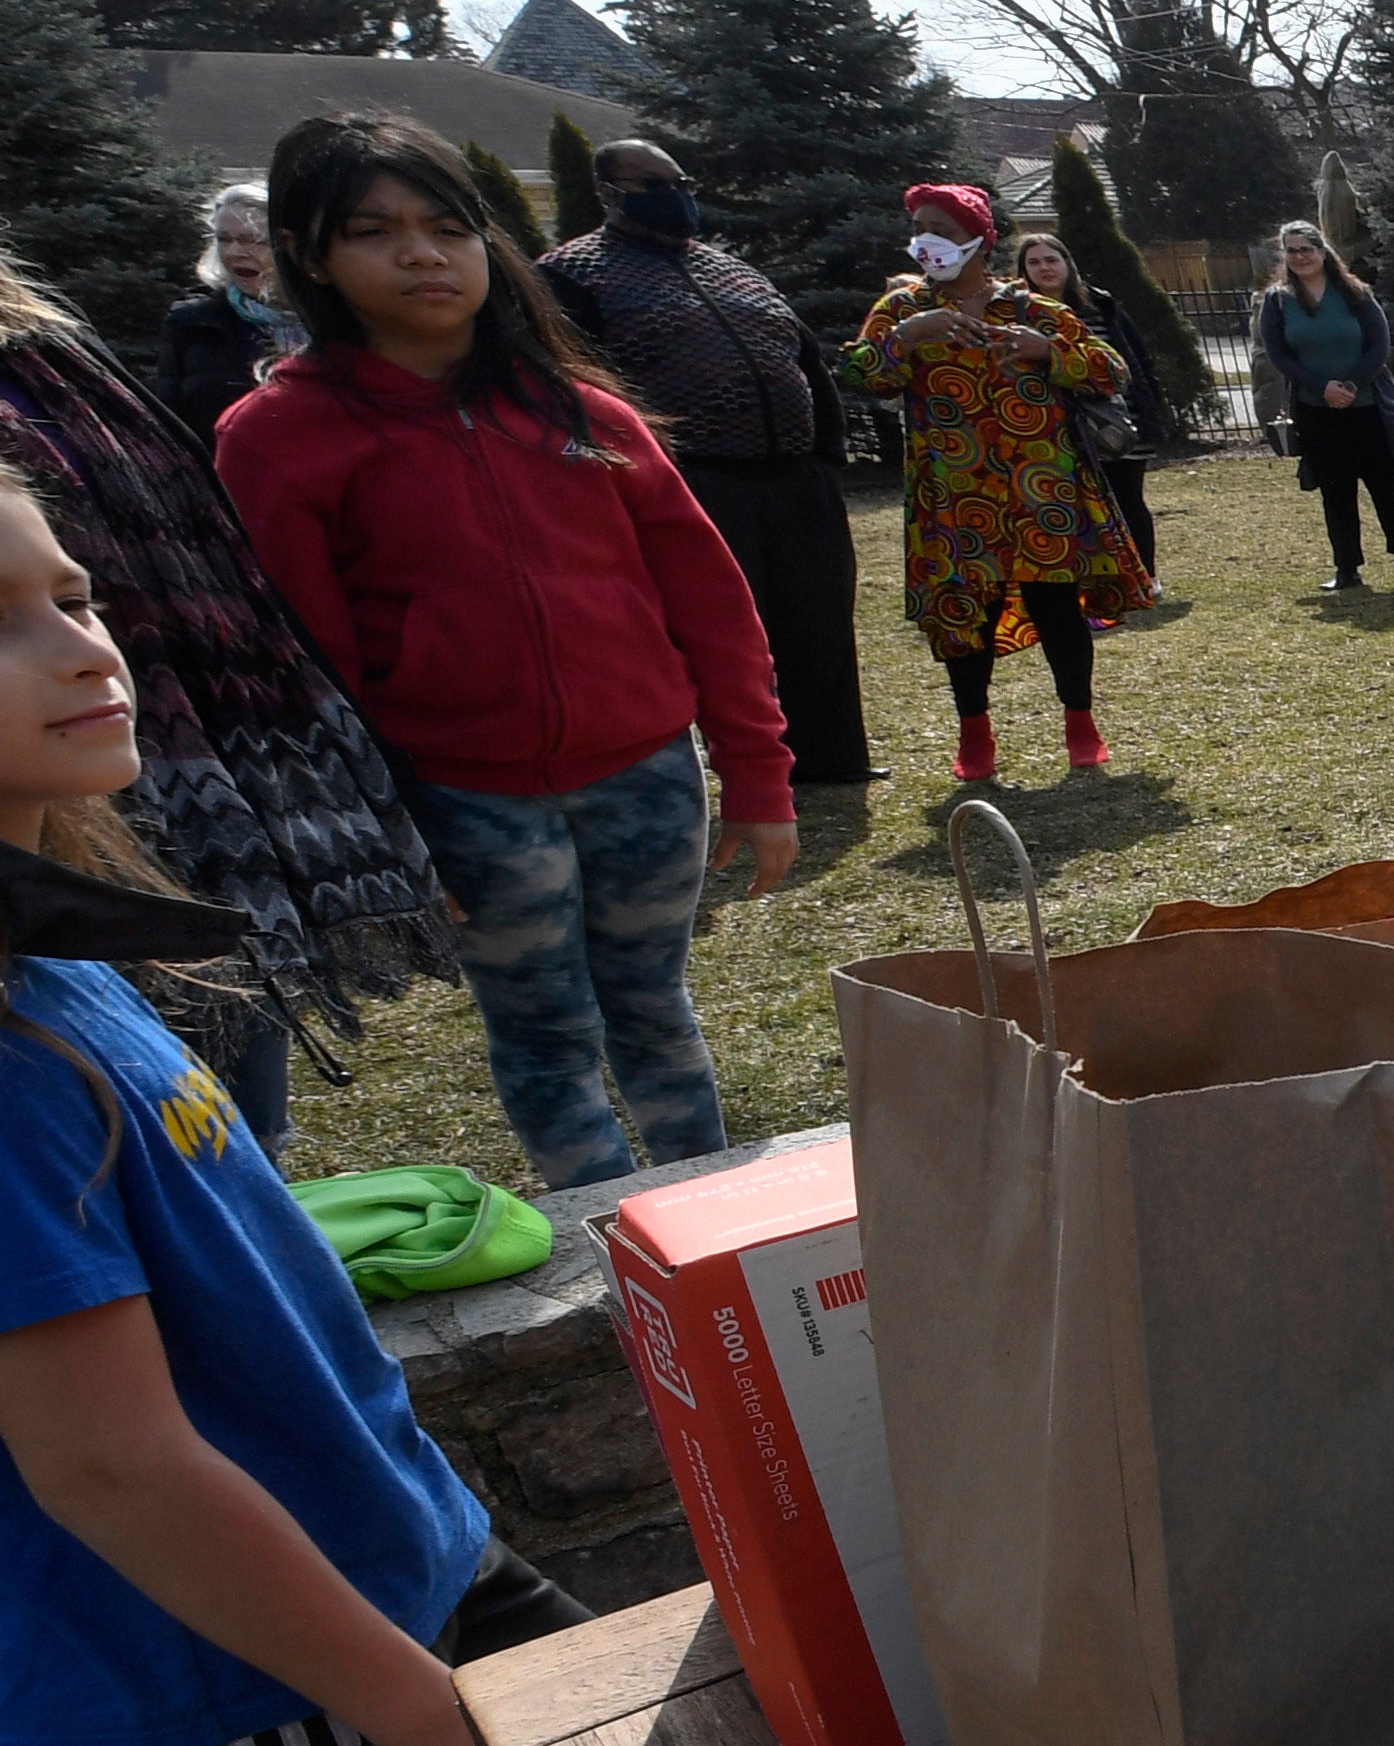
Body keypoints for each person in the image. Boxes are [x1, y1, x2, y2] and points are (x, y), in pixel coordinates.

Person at [0, 459, 615, 1746]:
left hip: (403, 1567)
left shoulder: (62, 937)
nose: (81, 643)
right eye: (3, 623)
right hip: (271, 1686)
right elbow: (106, 1460)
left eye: (71, 590)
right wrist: (403, 1704)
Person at [218, 112, 799, 1192]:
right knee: (547, 1037)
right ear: (310, 255)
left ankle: (717, 1229)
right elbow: (312, 670)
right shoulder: (278, 438)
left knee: (656, 1010)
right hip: (467, 806)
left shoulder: (589, 416)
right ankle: (613, 1254)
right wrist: (394, 835)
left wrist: (759, 776)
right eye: (375, 230)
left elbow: (712, 604)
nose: (421, 254)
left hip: (645, 780)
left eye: (448, 226)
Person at [0, 244, 444, 1153]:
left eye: (85, 605)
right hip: (80, 818)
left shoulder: (50, 352)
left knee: (215, 1125)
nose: (89, 637)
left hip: (190, 766)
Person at [539, 140, 880, 790]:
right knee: (725, 632)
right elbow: (575, 384)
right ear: (610, 193)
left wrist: (826, 456)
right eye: (654, 183)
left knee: (817, 619)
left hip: (794, 477)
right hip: (693, 478)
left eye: (681, 181)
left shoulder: (736, 271)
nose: (676, 194)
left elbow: (805, 360)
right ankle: (748, 765)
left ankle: (831, 757)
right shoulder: (573, 274)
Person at [847, 186, 1152, 786]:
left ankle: (1081, 725)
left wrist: (1050, 352)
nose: (925, 238)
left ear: (980, 240)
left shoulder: (1033, 309)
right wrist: (908, 338)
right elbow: (861, 373)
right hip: (955, 495)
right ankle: (974, 734)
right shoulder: (902, 310)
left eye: (939, 226)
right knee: (966, 615)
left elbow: (1112, 370)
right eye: (918, 227)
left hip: (1042, 489)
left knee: (1056, 606)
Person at [1248, 221, 1394, 593]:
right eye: (1292, 251)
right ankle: (1347, 568)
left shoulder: (1356, 293)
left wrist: (1351, 385)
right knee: (1336, 491)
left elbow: (1379, 347)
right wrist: (1322, 387)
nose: (1300, 257)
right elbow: (1278, 354)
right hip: (1316, 409)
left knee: (1385, 486)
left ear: (1323, 251)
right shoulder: (1277, 301)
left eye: (1307, 248)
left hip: (1368, 405)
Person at [1011, 230, 1167, 579]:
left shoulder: (1101, 305)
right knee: (1075, 506)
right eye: (1033, 262)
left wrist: (1149, 411)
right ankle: (1097, 579)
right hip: (1055, 428)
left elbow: (1136, 360)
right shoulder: (1016, 315)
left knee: (1128, 499)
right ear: (1022, 270)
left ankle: (1146, 575)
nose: (1044, 268)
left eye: (1052, 259)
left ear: (1068, 263)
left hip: (1117, 421)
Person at [156, 191, 299, 430]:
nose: (233, 252)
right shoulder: (192, 322)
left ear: (289, 245)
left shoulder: (335, 317)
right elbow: (171, 425)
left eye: (251, 239)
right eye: (223, 239)